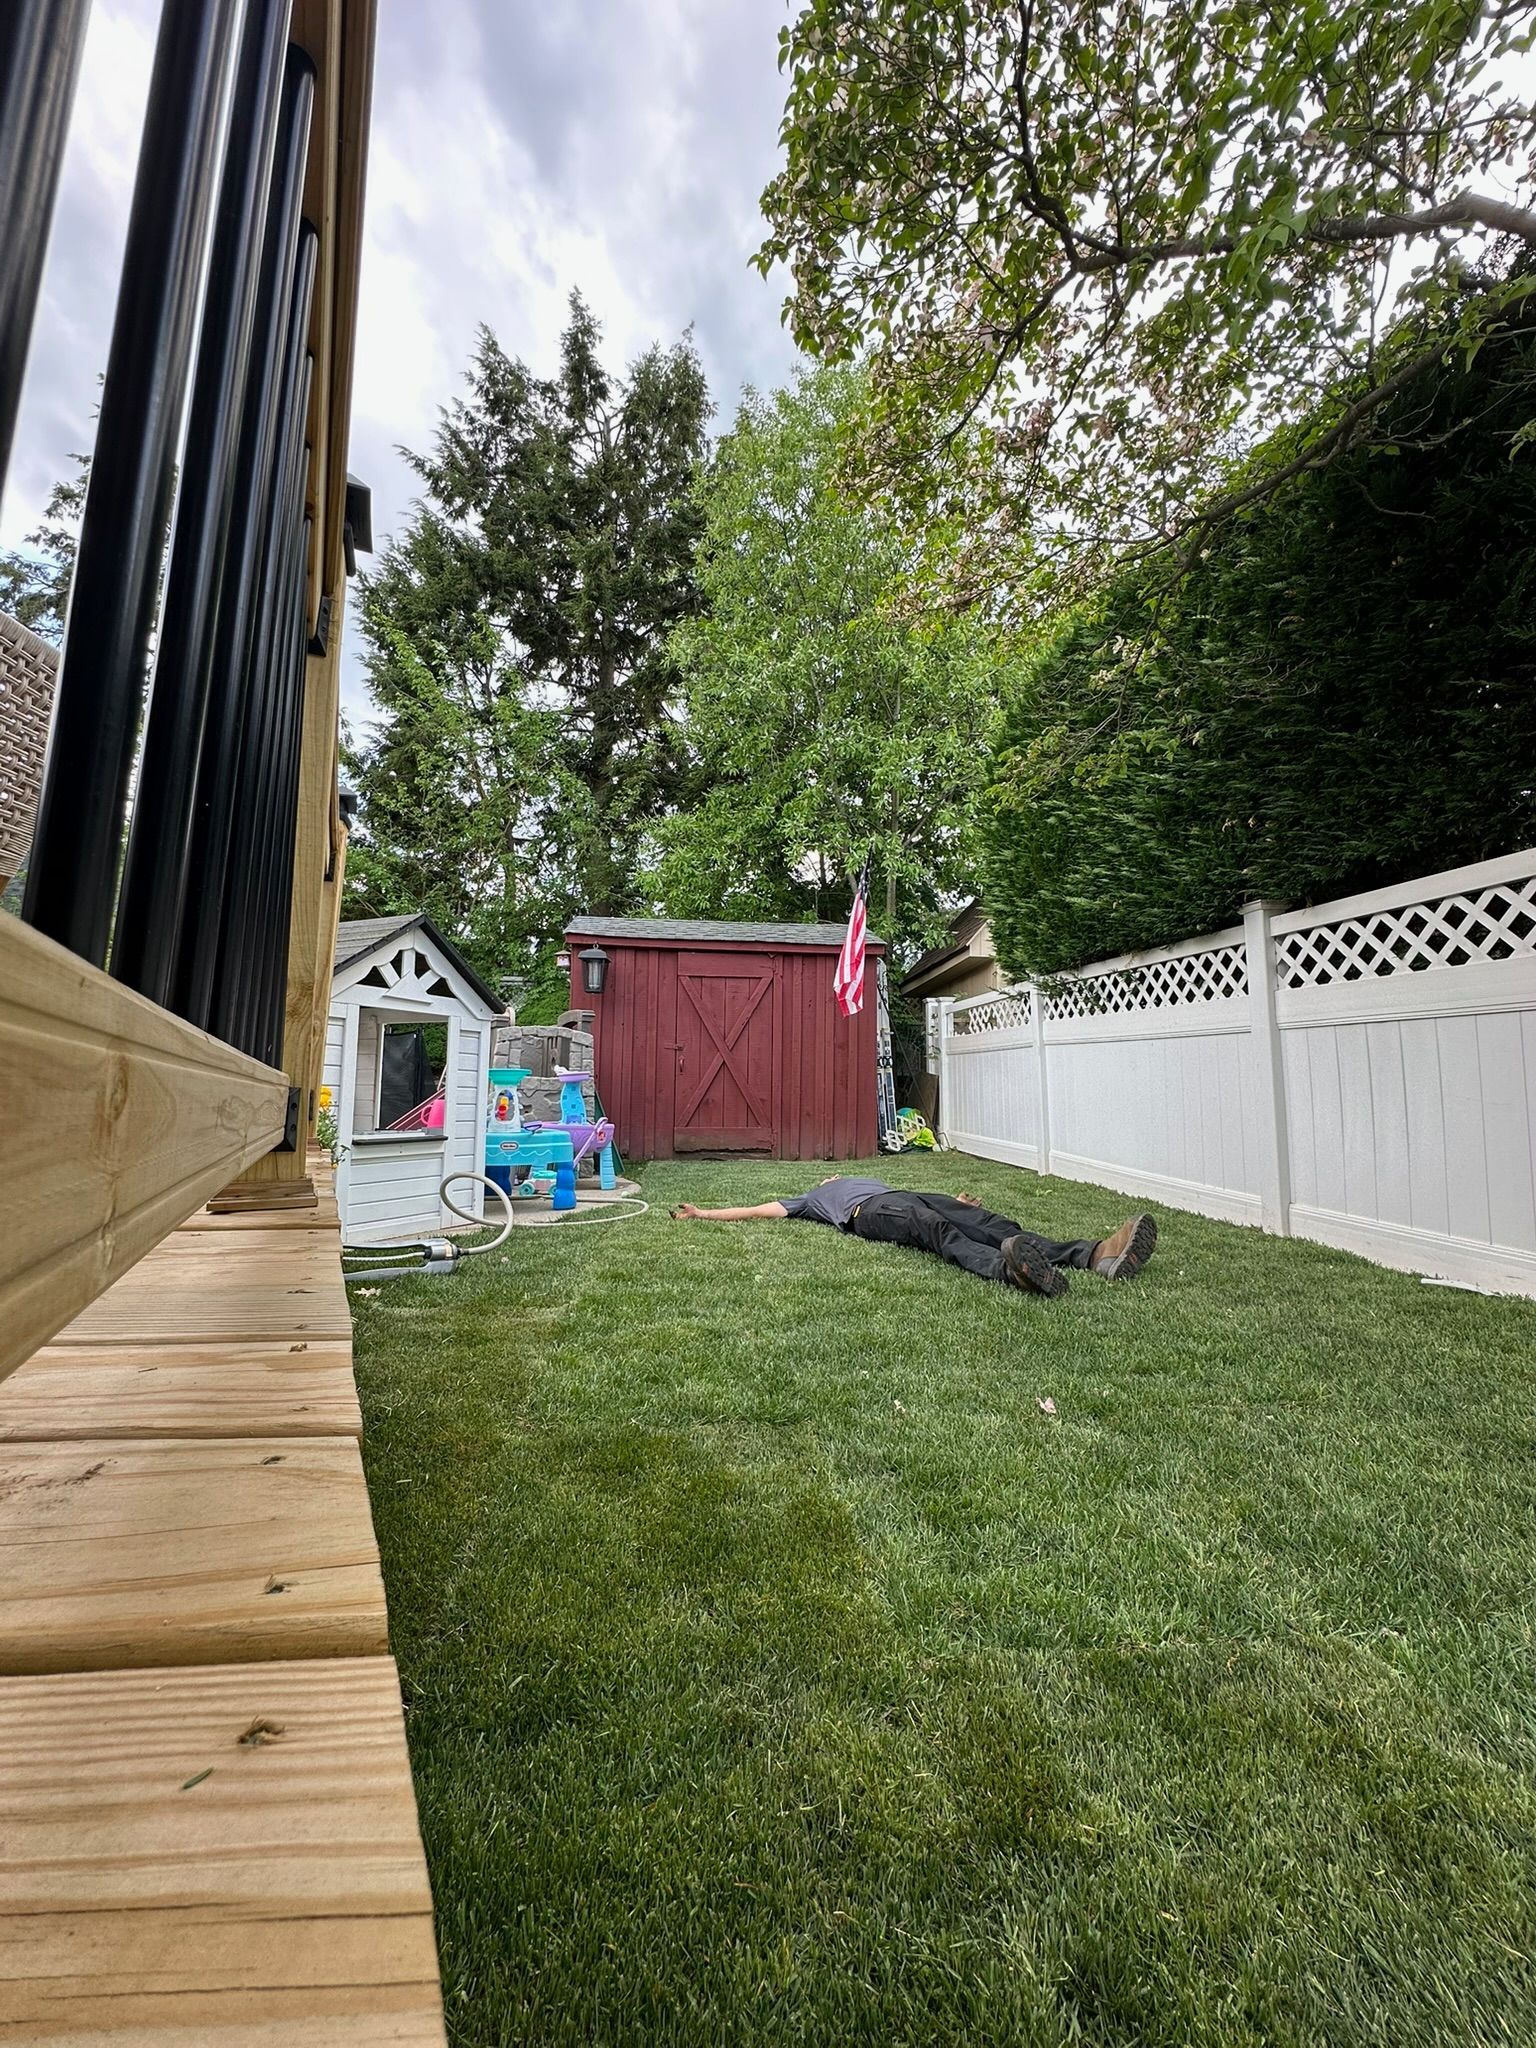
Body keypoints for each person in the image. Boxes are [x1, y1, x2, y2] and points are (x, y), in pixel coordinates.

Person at [670, 1176, 1155, 1298]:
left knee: (991, 1225)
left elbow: (931, 1202)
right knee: (933, 1230)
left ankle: (1095, 1255)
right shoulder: (810, 1201)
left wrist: (960, 1202)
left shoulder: (861, 1178)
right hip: (874, 1214)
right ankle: (1008, 1270)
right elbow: (756, 1210)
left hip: (906, 1193)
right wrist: (703, 1213)